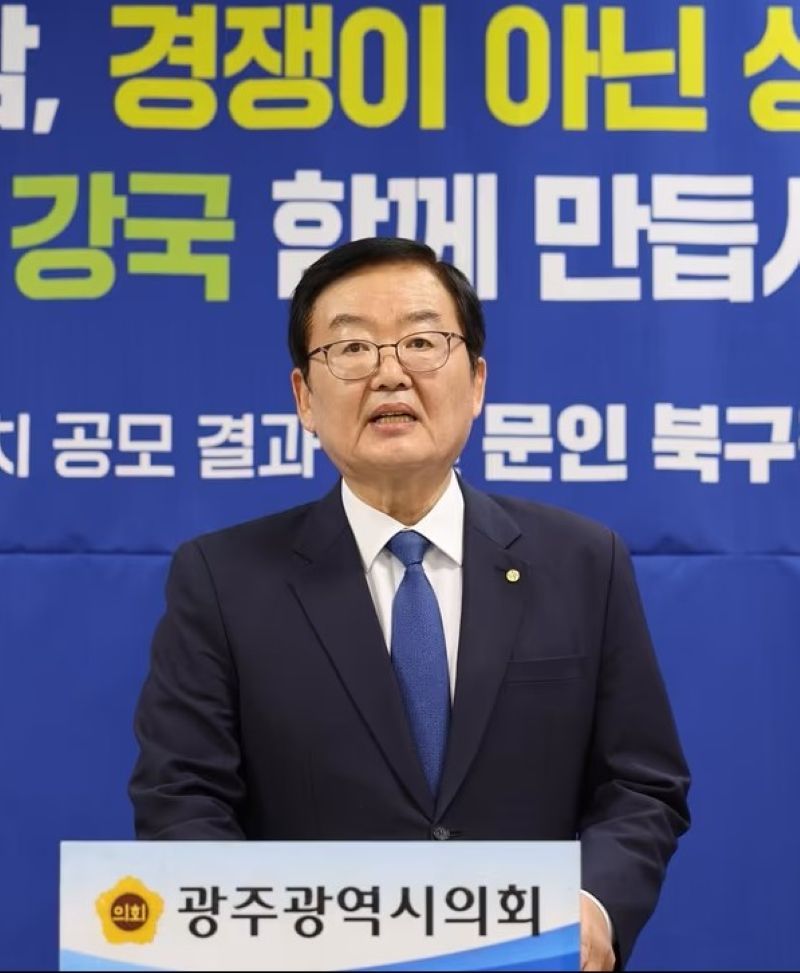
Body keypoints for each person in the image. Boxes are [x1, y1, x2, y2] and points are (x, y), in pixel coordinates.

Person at [130, 237, 690, 971]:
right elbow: (181, 798)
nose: (390, 373)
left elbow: (641, 784)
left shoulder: (584, 562)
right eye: (352, 348)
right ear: (304, 398)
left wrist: (595, 904)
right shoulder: (222, 579)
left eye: (422, 342)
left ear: (477, 381)